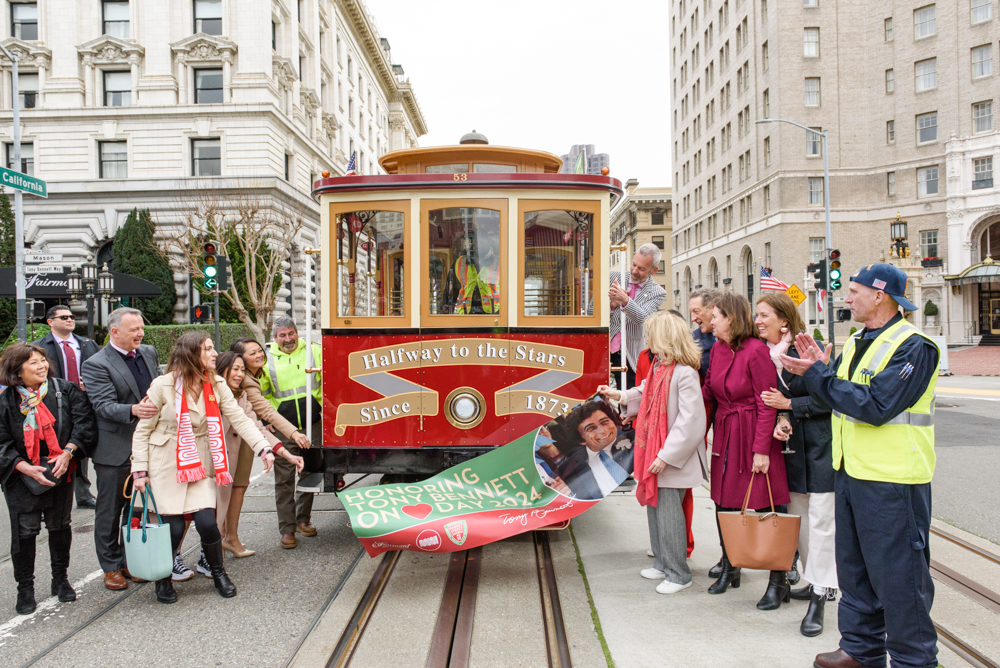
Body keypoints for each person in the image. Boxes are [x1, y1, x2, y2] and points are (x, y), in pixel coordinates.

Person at [779, 263, 940, 668]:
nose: (846, 298)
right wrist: (821, 372)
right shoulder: (856, 342)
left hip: (893, 482)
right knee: (854, 570)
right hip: (851, 474)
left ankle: (914, 660)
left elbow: (876, 406)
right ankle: (861, 648)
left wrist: (820, 376)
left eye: (854, 291)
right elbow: (840, 393)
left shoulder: (914, 346)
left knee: (900, 579)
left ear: (880, 295)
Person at [132, 332, 278, 604]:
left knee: (207, 523)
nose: (214, 353)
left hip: (201, 463)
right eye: (208, 349)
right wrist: (139, 470)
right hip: (166, 465)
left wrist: (263, 447)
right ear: (191, 354)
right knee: (173, 529)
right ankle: (163, 580)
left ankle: (219, 572)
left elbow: (241, 418)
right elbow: (143, 431)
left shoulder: (216, 383)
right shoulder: (163, 385)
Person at [598, 312, 707, 594]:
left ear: (665, 338)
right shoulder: (662, 367)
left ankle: (679, 574)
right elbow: (642, 391)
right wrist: (618, 395)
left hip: (671, 459)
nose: (647, 340)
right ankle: (662, 563)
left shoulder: (684, 373)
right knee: (657, 513)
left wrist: (666, 456)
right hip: (658, 455)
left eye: (651, 335)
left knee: (670, 517)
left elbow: (691, 423)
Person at [702, 292, 792, 609]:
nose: (709, 321)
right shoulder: (718, 349)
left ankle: (777, 581)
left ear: (730, 318)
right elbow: (708, 391)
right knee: (723, 502)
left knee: (768, 507)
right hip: (726, 432)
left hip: (754, 432)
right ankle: (731, 565)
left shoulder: (757, 352)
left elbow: (767, 404)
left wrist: (761, 450)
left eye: (715, 316)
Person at [756, 293, 837, 637]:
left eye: (763, 315)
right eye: (756, 315)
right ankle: (815, 579)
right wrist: (782, 418)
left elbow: (829, 396)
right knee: (800, 522)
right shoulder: (768, 355)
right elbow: (776, 404)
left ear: (784, 322)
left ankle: (820, 596)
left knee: (821, 523)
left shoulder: (807, 347)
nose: (757, 320)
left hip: (820, 448)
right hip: (791, 452)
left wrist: (789, 404)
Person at [0, 344, 96, 614]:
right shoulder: (5, 400)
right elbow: (1, 441)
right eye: (33, 363)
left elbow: (84, 423)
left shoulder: (64, 390)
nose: (41, 366)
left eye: (43, 361)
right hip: (21, 477)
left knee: (60, 526)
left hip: (59, 469)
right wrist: (23, 467)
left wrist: (68, 453)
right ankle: (25, 588)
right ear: (17, 370)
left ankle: (60, 579)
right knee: (25, 532)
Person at [80, 307, 160, 591]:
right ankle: (111, 567)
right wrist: (134, 409)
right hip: (115, 448)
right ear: (115, 332)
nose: (140, 334)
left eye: (141, 328)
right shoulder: (96, 363)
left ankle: (130, 560)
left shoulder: (148, 352)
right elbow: (102, 406)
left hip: (149, 444)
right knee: (110, 510)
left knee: (137, 508)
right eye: (134, 329)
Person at [213, 351, 304, 557]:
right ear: (221, 369)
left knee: (221, 503)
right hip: (211, 462)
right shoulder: (209, 393)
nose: (239, 375)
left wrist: (285, 453)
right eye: (235, 369)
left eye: (242, 370)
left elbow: (256, 427)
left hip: (229, 460)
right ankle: (180, 558)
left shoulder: (241, 396)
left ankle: (215, 553)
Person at [258, 317, 321, 548]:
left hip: (312, 424)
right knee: (284, 479)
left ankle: (303, 520)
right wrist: (265, 420)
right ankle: (287, 529)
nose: (288, 339)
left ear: (297, 333)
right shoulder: (266, 360)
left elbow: (326, 383)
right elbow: (262, 394)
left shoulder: (313, 351)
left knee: (309, 473)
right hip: (283, 427)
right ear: (275, 338)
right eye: (282, 335)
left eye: (291, 333)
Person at [32, 304, 100, 509]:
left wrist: (90, 384)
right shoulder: (39, 346)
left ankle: (83, 493)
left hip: (84, 403)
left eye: (71, 316)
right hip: (53, 404)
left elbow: (98, 370)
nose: (70, 320)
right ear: (50, 322)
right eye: (63, 317)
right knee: (52, 446)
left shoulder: (87, 344)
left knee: (79, 444)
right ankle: (47, 490)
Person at [609, 244, 667, 389]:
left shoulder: (657, 292)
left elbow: (643, 318)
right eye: (634, 265)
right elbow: (591, 311)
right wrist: (611, 305)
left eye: (641, 269)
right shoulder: (613, 277)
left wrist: (625, 300)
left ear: (654, 270)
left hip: (630, 355)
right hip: (603, 348)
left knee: (628, 401)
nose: (635, 271)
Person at [554, 402, 632, 501]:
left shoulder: (635, 441)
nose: (602, 430)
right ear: (581, 440)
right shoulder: (567, 469)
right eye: (591, 428)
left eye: (604, 422)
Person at [688, 289, 720, 383]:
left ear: (713, 308)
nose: (693, 319)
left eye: (696, 311)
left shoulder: (746, 332)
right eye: (691, 313)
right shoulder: (694, 340)